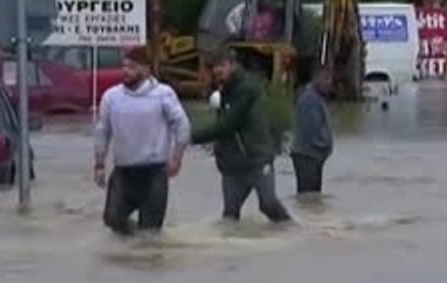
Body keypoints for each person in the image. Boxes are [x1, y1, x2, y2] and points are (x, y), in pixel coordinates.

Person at [93, 46, 191, 236]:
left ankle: (143, 258)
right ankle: (128, 251)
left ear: (146, 69)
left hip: (154, 173)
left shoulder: (163, 94)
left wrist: (176, 158)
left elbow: (182, 125)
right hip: (123, 172)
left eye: (132, 67)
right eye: (124, 66)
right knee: (112, 219)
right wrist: (99, 164)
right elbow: (102, 131)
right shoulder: (111, 97)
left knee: (150, 235)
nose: (126, 71)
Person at [192, 48, 291, 224]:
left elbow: (229, 125)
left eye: (222, 65)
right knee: (230, 216)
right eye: (215, 66)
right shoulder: (224, 90)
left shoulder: (247, 89)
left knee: (268, 204)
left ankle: (293, 233)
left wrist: (190, 137)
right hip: (232, 165)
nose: (217, 70)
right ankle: (228, 248)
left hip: (257, 160)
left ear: (234, 65)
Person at [290, 65, 334, 195]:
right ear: (315, 79)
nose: (329, 82)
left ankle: (307, 216)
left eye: (330, 79)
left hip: (311, 156)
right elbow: (312, 132)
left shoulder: (316, 97)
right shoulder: (309, 99)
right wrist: (326, 146)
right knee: (308, 197)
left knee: (312, 199)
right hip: (307, 156)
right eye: (325, 78)